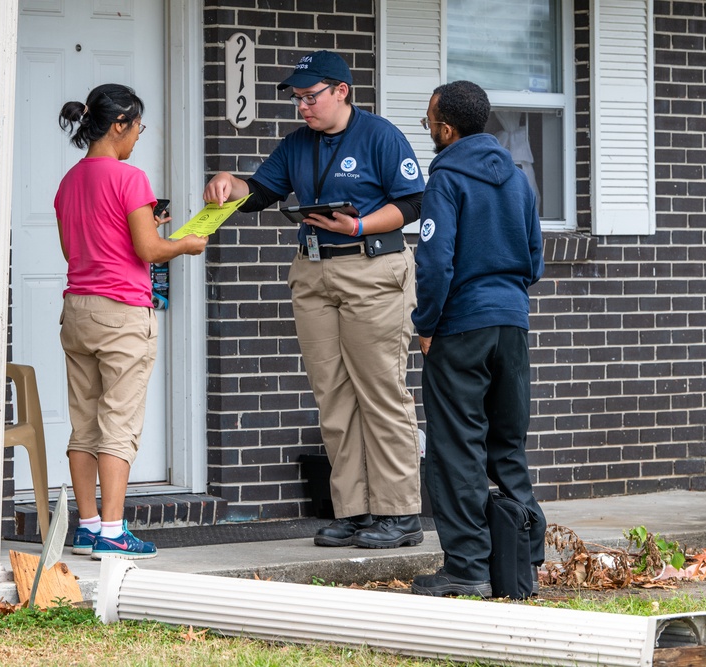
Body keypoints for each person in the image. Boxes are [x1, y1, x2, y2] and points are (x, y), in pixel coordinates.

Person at [203, 51, 426, 549]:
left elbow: (413, 201)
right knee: (333, 395)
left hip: (371, 267)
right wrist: (231, 183)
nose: (302, 107)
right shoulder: (296, 144)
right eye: (298, 99)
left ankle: (400, 512)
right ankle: (354, 509)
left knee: (380, 391)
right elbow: (261, 190)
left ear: (341, 91)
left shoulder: (381, 135)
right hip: (313, 272)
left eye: (310, 97)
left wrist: (361, 224)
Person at [55, 84, 208, 560]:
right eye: (137, 127)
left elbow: (77, 248)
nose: (139, 137)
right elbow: (147, 251)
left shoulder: (69, 181)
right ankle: (115, 533)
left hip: (78, 308)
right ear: (119, 124)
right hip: (122, 313)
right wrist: (185, 242)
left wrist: (144, 231)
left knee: (84, 424)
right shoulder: (130, 178)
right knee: (118, 423)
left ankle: (87, 528)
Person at [409, 81, 546, 597]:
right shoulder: (517, 179)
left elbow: (435, 261)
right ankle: (523, 561)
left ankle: (467, 567)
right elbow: (534, 259)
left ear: (447, 128)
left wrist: (426, 324)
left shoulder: (445, 178)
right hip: (512, 323)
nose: (429, 132)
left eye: (429, 123)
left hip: (460, 326)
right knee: (507, 443)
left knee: (455, 447)